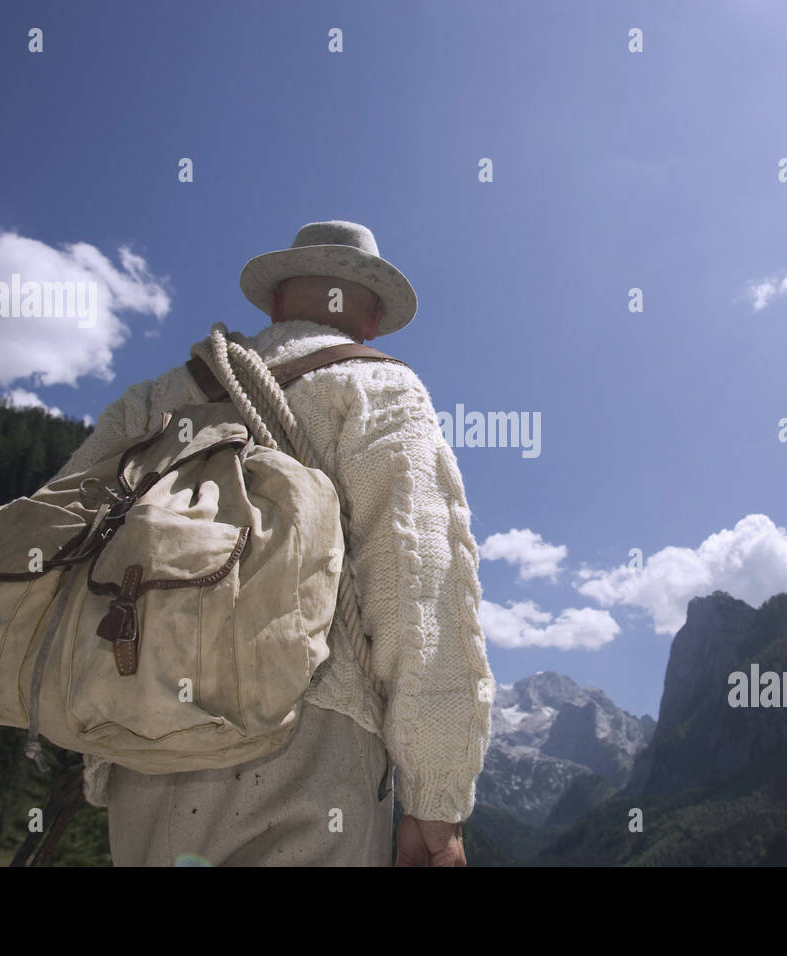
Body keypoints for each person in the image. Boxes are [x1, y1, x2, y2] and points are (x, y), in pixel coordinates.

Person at [49, 221, 494, 866]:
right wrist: (435, 796)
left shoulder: (156, 400)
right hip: (308, 737)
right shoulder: (381, 388)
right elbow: (422, 586)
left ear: (279, 302)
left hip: (142, 736)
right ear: (370, 315)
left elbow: (63, 533)